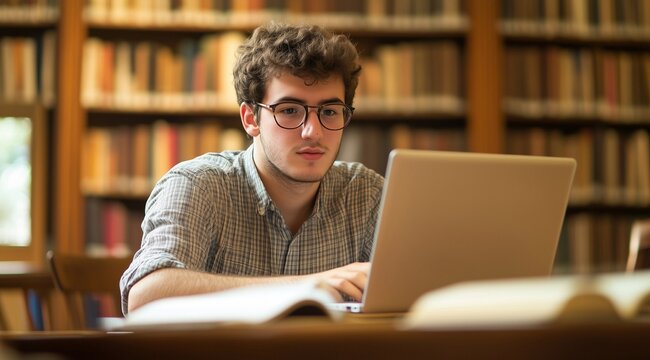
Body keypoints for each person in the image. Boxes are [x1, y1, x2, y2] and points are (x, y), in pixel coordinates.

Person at [120, 22, 384, 314]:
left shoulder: (367, 194)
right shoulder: (198, 185)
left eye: (330, 112)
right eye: (289, 110)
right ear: (251, 118)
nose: (313, 132)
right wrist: (308, 287)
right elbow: (145, 297)